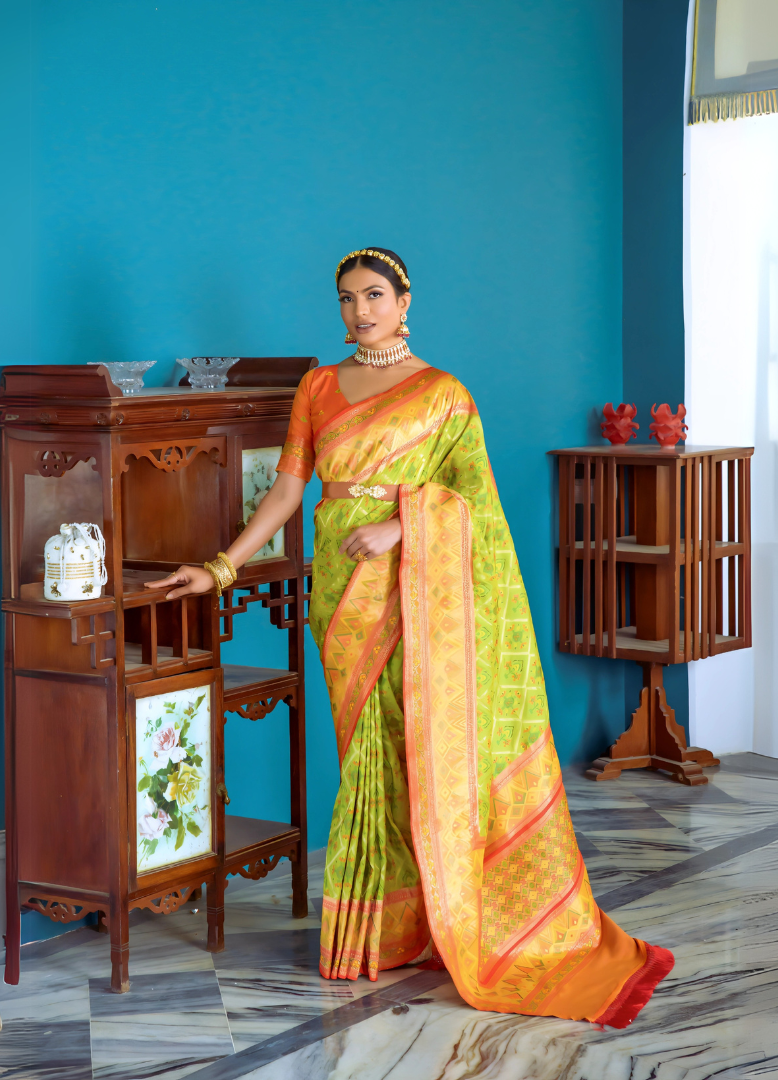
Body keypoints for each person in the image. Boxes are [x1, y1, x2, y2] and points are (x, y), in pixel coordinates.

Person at [147, 247, 673, 1025]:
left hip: (411, 584)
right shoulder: (318, 386)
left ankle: (431, 920)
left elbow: (477, 510)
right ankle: (380, 932)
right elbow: (290, 489)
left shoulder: (445, 395)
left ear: (404, 301)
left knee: (412, 746)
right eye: (346, 299)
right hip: (341, 590)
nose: (360, 311)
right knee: (367, 748)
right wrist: (219, 568)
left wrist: (402, 527)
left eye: (373, 296)